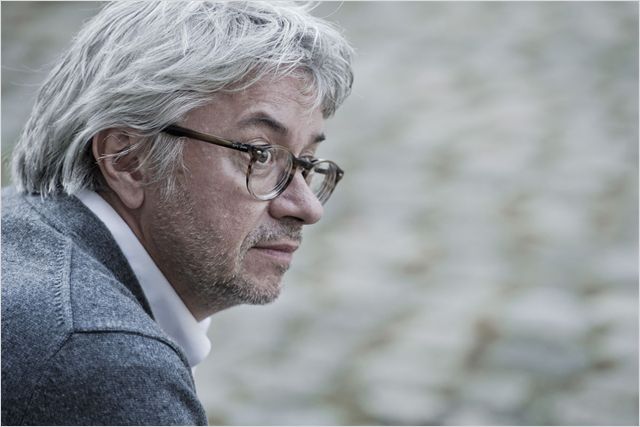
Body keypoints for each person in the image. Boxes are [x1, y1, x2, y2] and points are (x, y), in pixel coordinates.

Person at [1, 1, 353, 425]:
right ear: (128, 160)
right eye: (260, 155)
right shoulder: (106, 362)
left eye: (307, 162)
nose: (307, 207)